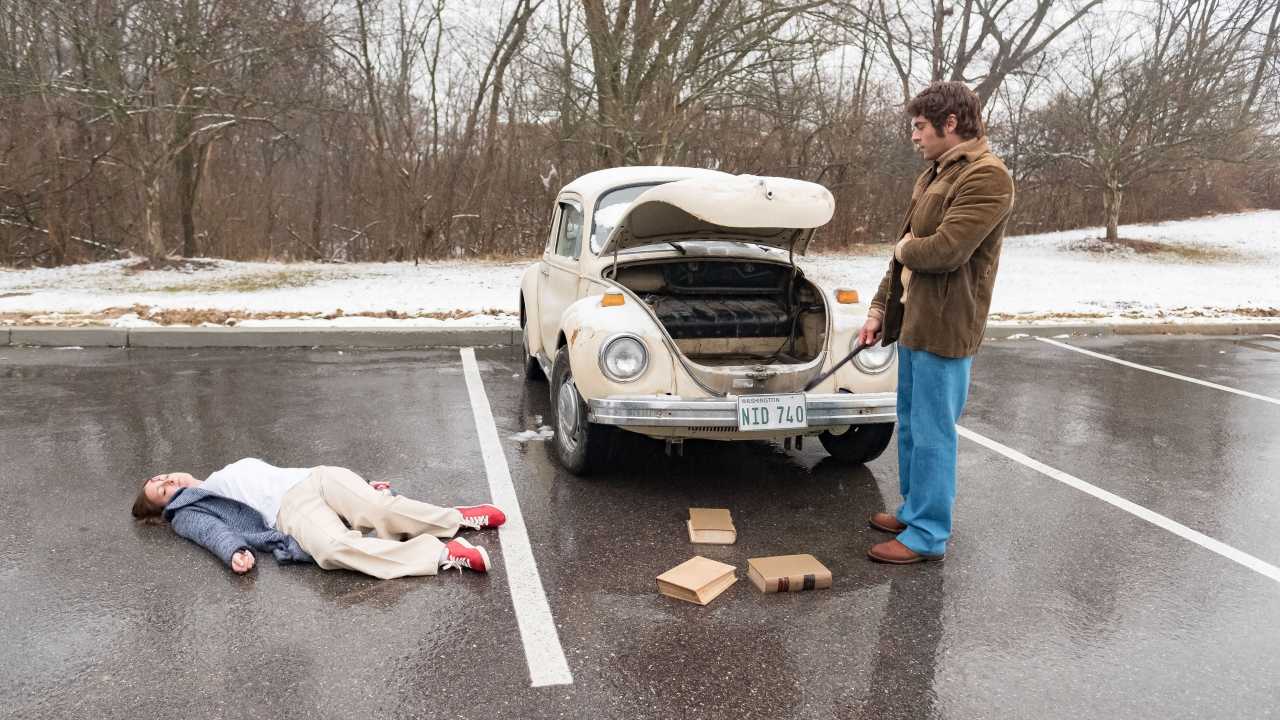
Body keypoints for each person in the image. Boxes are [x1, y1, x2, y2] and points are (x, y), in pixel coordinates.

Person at [859, 81, 1015, 564]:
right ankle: (914, 510)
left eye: (920, 126)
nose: (914, 136)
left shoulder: (988, 177)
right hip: (913, 322)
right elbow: (901, 255)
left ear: (951, 123)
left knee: (933, 432)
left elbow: (944, 251)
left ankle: (927, 534)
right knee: (909, 424)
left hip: (946, 328)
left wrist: (902, 248)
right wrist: (880, 307)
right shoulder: (934, 174)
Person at [131, 458, 506, 578]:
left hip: (315, 476)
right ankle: (441, 554)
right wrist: (233, 552)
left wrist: (361, 484)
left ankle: (457, 518)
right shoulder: (188, 511)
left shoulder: (219, 475)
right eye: (163, 491)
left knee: (377, 507)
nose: (168, 482)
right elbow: (209, 531)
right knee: (333, 549)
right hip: (288, 508)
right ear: (167, 507)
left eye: (162, 477)